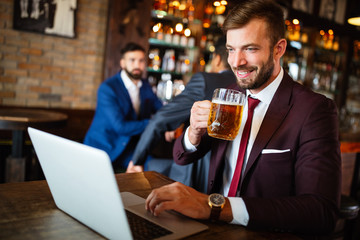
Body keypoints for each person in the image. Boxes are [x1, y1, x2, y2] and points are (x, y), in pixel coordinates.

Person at [145, 0, 341, 236]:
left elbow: (320, 211)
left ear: (278, 49)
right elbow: (182, 156)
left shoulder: (314, 110)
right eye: (230, 49)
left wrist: (216, 207)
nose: (236, 62)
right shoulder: (229, 95)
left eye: (250, 49)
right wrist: (193, 134)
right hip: (212, 230)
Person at [126, 36, 236, 192]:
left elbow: (161, 118)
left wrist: (137, 160)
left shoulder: (205, 80)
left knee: (150, 167)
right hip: (230, 178)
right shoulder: (251, 87)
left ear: (217, 59)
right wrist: (178, 123)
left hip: (198, 175)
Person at [84, 42, 162, 171]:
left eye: (141, 60)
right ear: (122, 63)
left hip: (129, 149)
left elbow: (160, 108)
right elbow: (121, 127)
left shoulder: (146, 86)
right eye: (132, 60)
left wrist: (170, 124)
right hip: (103, 149)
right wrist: (156, 123)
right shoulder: (108, 89)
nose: (137, 65)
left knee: (157, 169)